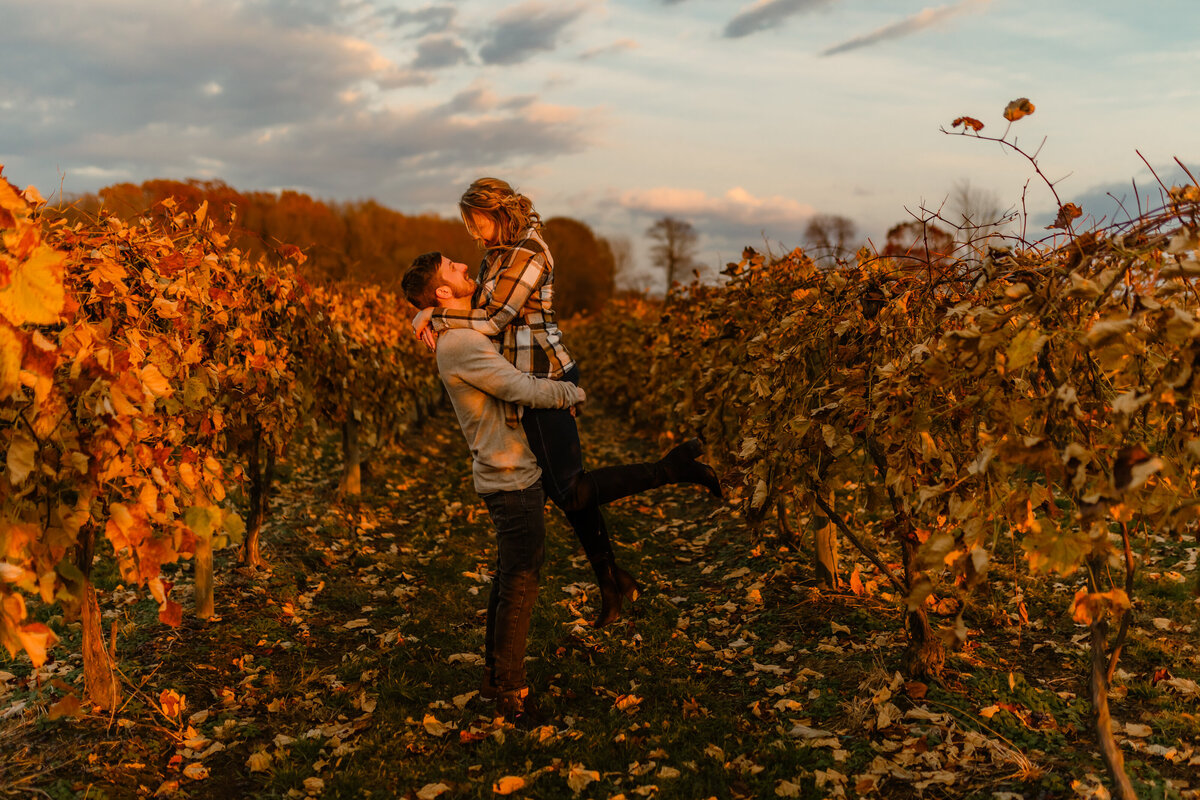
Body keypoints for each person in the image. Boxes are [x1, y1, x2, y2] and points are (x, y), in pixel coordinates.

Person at [403, 252, 718, 723]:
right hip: (510, 475)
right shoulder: (460, 344)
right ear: (444, 290)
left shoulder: (459, 330)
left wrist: (426, 311)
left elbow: (497, 318)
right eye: (453, 269)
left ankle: (497, 682)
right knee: (521, 581)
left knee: (514, 575)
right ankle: (508, 693)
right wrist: (572, 394)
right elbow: (520, 387)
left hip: (507, 470)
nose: (464, 266)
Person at [411, 179, 721, 628]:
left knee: (570, 489)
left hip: (546, 375)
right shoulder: (497, 254)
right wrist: (431, 308)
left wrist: (432, 313)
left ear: (495, 212)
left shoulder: (527, 253)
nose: (473, 234)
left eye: (475, 223)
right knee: (567, 491)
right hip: (527, 376)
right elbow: (476, 302)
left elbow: (494, 318)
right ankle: (612, 580)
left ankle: (672, 471)